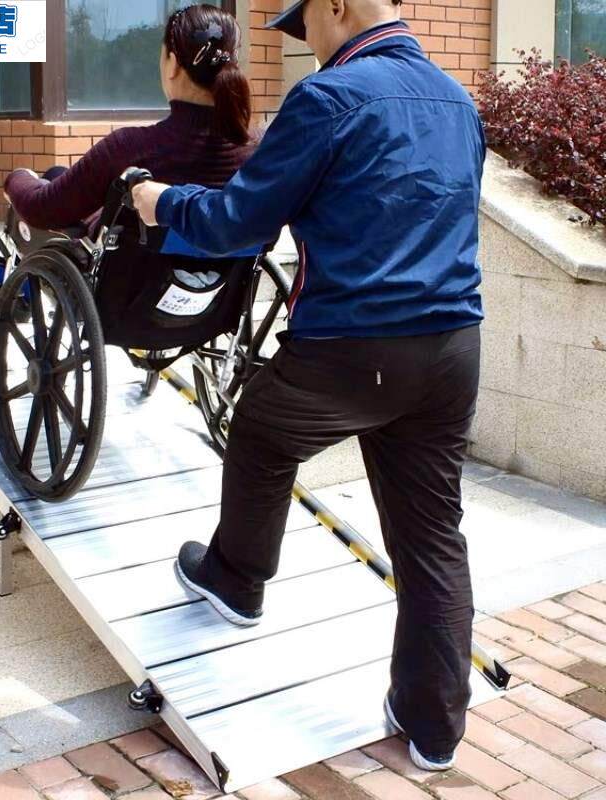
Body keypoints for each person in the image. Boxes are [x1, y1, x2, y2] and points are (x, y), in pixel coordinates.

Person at [132, 0, 488, 775]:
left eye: (309, 26)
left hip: (356, 343)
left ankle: (237, 579)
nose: (310, 43)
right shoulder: (458, 101)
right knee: (433, 536)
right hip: (454, 348)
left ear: (337, 5)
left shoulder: (329, 97)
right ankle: (433, 728)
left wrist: (161, 203)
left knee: (261, 427)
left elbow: (241, 220)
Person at [0, 4, 256, 235]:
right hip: (222, 270)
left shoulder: (131, 148)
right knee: (57, 174)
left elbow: (41, 208)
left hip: (129, 269)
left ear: (174, 65)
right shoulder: (257, 152)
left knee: (46, 191)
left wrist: (17, 178)